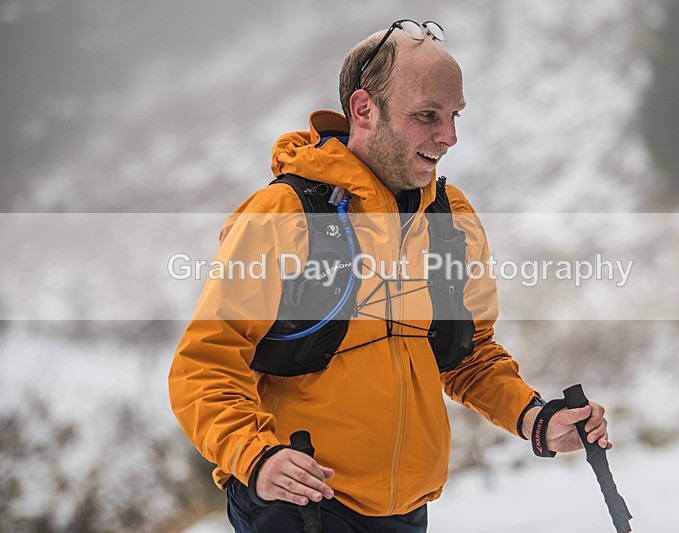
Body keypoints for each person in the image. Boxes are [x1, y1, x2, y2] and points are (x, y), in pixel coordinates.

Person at [169, 20, 611, 533]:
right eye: (428, 116)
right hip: (300, 504)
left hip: (404, 512)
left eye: (453, 115)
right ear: (363, 110)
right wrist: (257, 458)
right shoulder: (283, 215)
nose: (449, 137)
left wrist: (536, 419)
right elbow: (204, 368)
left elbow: (466, 355)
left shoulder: (449, 220)